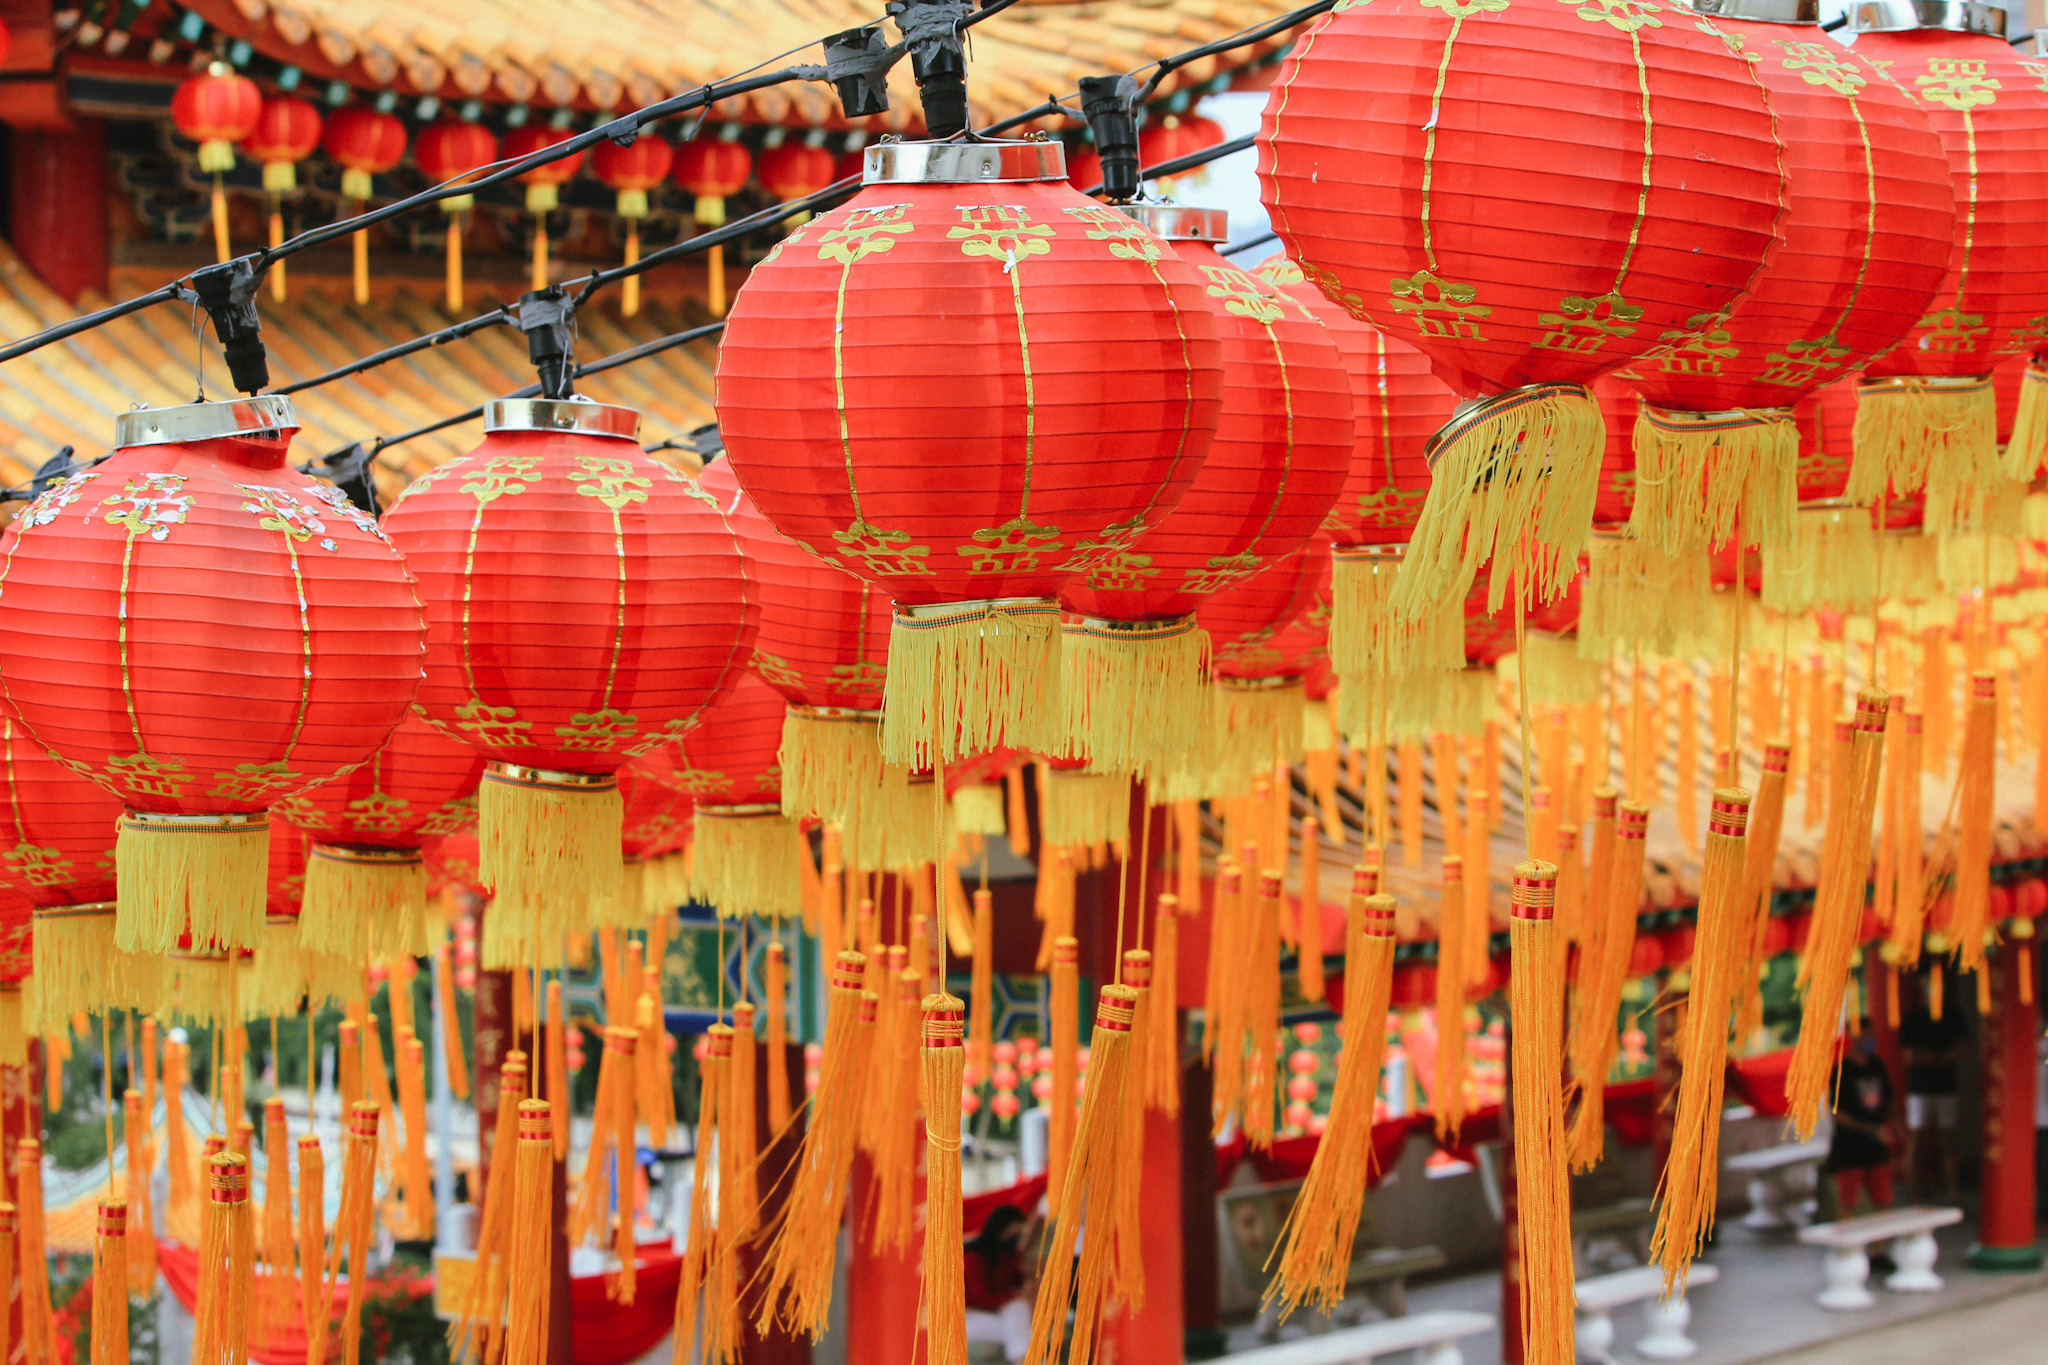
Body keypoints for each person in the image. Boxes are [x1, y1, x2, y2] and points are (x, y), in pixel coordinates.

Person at [1899, 988, 1969, 1202]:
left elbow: (1962, 1049)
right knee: (1914, 1142)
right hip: (1919, 1088)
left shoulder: (1952, 1015)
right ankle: (1912, 1194)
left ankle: (1953, 1193)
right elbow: (1909, 1056)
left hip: (1945, 1087)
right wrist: (1942, 1057)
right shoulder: (1913, 1017)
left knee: (1948, 1142)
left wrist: (1929, 1057)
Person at [964, 1203, 1036, 1362]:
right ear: (999, 1231)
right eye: (1012, 1234)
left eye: (1018, 1234)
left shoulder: (1011, 1254)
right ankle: (1025, 1360)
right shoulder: (974, 1258)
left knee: (1018, 1309)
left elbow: (1018, 1280)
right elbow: (981, 1299)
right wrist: (1015, 1295)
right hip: (968, 1317)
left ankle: (1022, 1360)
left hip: (999, 1313)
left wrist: (1028, 1280)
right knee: (1018, 1328)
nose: (1015, 1239)